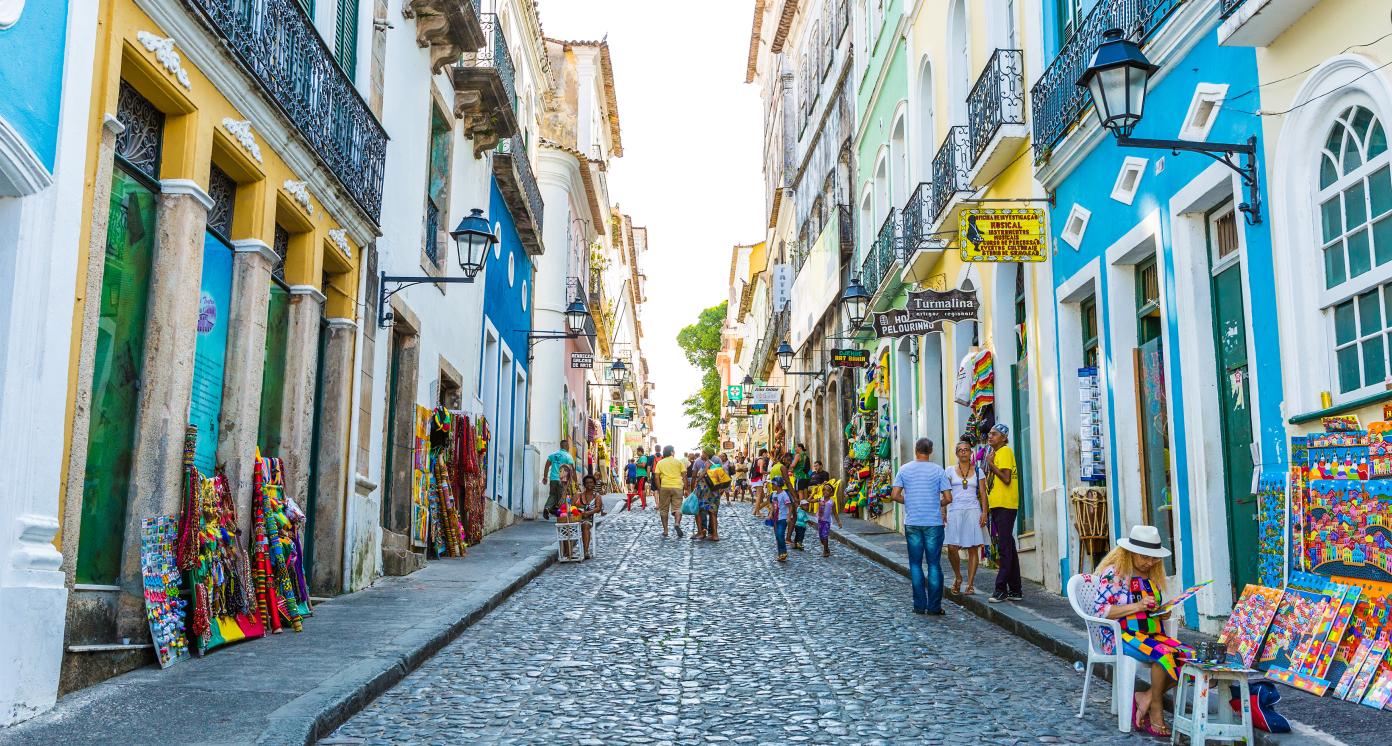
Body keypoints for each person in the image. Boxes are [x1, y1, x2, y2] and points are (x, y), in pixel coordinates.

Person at [1092, 526, 1191, 738]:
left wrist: (1162, 613)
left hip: (1151, 636)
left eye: (1154, 558)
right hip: (1120, 636)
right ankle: (1156, 711)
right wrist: (1138, 606)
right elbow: (1101, 611)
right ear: (1131, 552)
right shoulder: (1115, 574)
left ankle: (1146, 696)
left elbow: (1151, 610)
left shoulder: (1151, 575)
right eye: (1145, 557)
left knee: (1192, 658)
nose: (1149, 562)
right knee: (1163, 654)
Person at [883, 438, 953, 615]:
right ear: (931, 451)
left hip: (913, 522)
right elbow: (949, 498)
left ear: (915, 450)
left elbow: (895, 495)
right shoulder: (938, 470)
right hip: (933, 523)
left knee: (915, 564)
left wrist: (910, 501)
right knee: (934, 564)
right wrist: (937, 503)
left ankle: (919, 605)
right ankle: (935, 607)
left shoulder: (905, 469)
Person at [983, 423, 1023, 603]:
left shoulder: (1005, 452)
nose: (990, 436)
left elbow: (1006, 478)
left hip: (1005, 505)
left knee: (1004, 548)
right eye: (990, 433)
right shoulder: (996, 453)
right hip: (998, 505)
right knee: (1009, 547)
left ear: (1004, 438)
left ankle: (1001, 589)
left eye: (994, 434)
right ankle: (1015, 589)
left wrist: (991, 464)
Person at [944, 439, 989, 595]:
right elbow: (943, 492)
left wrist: (984, 512)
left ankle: (970, 584)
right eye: (960, 450)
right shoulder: (949, 471)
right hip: (954, 511)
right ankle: (958, 577)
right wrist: (943, 511)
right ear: (956, 454)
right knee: (951, 547)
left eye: (966, 449)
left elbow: (983, 493)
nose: (964, 452)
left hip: (973, 511)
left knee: (972, 548)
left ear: (971, 453)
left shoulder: (978, 471)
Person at [794, 460, 832, 551]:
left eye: (817, 466)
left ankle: (826, 549)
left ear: (821, 465)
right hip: (811, 490)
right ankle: (803, 504)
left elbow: (826, 483)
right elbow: (809, 483)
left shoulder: (824, 473)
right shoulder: (812, 474)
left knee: (824, 535)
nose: (815, 467)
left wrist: (838, 521)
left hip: (818, 489)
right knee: (803, 489)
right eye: (814, 466)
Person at [654, 446, 687, 539]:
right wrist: (686, 488)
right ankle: (676, 523)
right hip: (677, 487)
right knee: (677, 508)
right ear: (672, 452)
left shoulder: (660, 463)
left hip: (665, 486)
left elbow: (656, 477)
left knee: (664, 509)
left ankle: (665, 530)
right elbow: (684, 476)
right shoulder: (679, 462)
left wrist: (660, 489)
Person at [542, 440, 576, 519]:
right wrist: (575, 481)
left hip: (553, 479)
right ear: (567, 446)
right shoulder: (568, 456)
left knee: (552, 495)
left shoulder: (552, 455)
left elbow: (547, 465)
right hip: (562, 480)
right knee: (562, 497)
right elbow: (572, 469)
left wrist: (545, 477)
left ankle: (547, 508)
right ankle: (561, 516)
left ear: (560, 446)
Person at [577, 474, 606, 559]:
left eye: (591, 482)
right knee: (566, 526)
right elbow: (571, 506)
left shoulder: (597, 496)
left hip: (589, 519)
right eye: (587, 483)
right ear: (584, 484)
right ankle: (567, 552)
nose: (589, 484)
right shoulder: (578, 495)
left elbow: (598, 508)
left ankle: (585, 551)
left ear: (594, 484)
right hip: (577, 518)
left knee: (585, 525)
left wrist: (588, 513)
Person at [769, 476, 793, 562]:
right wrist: (770, 514)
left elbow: (790, 506)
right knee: (777, 536)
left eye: (773, 484)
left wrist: (788, 516)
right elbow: (773, 505)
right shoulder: (774, 494)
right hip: (775, 518)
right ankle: (780, 553)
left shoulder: (784, 495)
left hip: (783, 518)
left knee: (780, 535)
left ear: (777, 485)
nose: (772, 485)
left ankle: (784, 552)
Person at [750, 449, 770, 517]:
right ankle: (757, 512)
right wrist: (767, 473)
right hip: (758, 479)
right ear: (763, 453)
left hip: (754, 479)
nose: (767, 455)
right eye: (766, 453)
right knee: (759, 496)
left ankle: (755, 511)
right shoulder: (761, 460)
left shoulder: (756, 459)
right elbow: (761, 471)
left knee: (761, 496)